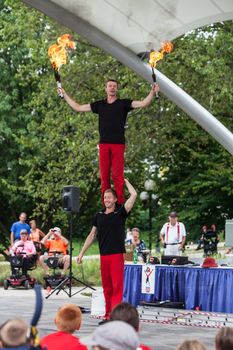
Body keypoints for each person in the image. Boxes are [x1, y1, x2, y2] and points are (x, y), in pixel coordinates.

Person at [60, 79, 159, 204]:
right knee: (104, 177)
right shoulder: (100, 105)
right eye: (110, 86)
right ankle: (106, 204)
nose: (112, 88)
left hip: (118, 144)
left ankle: (119, 204)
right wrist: (64, 94)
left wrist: (152, 92)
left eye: (114, 86)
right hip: (104, 145)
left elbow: (143, 103)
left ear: (116, 89)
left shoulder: (123, 104)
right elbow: (78, 107)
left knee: (117, 176)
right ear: (105, 88)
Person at [77, 179, 137, 319]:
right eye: (105, 197)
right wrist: (81, 253)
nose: (106, 200)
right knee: (107, 288)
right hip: (104, 256)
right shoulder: (99, 215)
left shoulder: (120, 212)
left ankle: (115, 316)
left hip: (116, 255)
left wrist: (126, 181)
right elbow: (92, 235)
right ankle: (108, 314)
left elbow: (133, 195)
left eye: (109, 197)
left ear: (115, 199)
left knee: (117, 287)